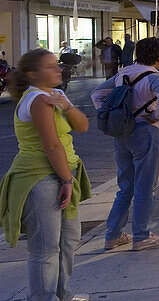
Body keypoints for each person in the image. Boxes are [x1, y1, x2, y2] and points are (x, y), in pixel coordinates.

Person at [0, 49, 92, 301]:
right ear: (33, 74)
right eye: (51, 66)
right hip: (40, 177)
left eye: (57, 65)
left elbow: (82, 126)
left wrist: (66, 105)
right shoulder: (37, 100)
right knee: (45, 247)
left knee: (67, 240)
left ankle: (63, 294)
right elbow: (51, 145)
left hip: (62, 172)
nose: (59, 70)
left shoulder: (56, 95)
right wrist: (65, 180)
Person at [91, 36, 159, 251]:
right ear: (158, 57)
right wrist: (155, 115)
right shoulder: (154, 76)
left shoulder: (123, 73)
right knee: (145, 185)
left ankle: (113, 235)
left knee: (125, 187)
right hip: (145, 132)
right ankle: (142, 235)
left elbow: (97, 94)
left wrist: (110, 114)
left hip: (122, 133)